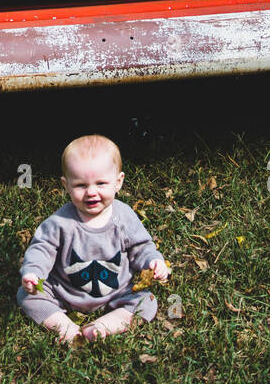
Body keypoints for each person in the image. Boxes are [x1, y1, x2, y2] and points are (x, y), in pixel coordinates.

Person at [17, 133, 168, 343]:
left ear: (118, 182)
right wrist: (34, 273)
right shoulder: (59, 222)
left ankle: (103, 326)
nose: (91, 192)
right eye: (80, 185)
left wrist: (153, 261)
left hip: (118, 291)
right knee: (26, 296)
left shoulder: (123, 217)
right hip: (65, 291)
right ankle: (64, 324)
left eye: (101, 183)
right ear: (66, 185)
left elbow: (141, 246)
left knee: (147, 301)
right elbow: (41, 249)